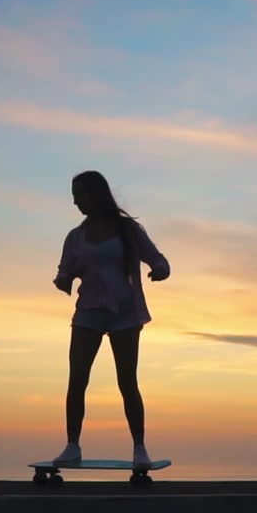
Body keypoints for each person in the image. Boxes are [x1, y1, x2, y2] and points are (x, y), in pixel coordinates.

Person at [51, 171, 170, 471]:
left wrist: (161, 269)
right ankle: (71, 445)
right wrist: (63, 279)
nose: (75, 201)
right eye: (74, 195)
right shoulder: (75, 236)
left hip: (125, 313)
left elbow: (156, 258)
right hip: (89, 312)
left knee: (127, 381)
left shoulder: (128, 230)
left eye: (79, 194)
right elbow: (65, 270)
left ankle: (140, 448)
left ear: (96, 194)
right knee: (77, 379)